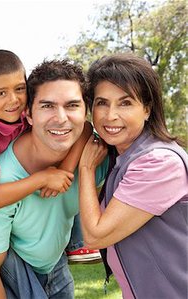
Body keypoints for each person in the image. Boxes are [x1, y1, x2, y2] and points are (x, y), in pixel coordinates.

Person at [0, 59, 109, 298]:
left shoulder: (94, 156)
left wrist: (77, 167)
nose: (61, 118)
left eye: (72, 105)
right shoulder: (3, 179)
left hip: (57, 268)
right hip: (15, 274)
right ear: (28, 115)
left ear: (85, 112)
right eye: (47, 106)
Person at [78, 53, 188, 299]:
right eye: (102, 103)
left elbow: (96, 235)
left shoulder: (158, 164)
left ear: (147, 109)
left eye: (125, 103)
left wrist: (85, 170)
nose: (110, 115)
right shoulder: (122, 159)